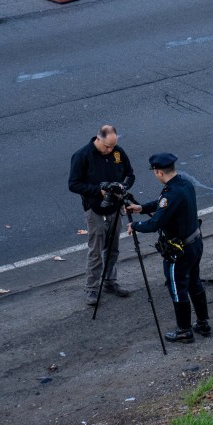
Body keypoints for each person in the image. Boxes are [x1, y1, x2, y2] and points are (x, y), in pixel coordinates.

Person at [126, 153, 210, 343]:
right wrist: (142, 208)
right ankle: (203, 323)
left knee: (177, 287)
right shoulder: (185, 183)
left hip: (179, 251)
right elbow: (164, 206)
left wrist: (135, 226)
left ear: (158, 172)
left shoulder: (170, 193)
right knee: (194, 282)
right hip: (195, 243)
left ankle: (184, 330)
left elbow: (155, 223)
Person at [68, 125, 135, 306]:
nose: (110, 150)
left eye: (113, 146)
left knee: (113, 248)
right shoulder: (82, 156)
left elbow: (130, 174)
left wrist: (123, 187)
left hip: (115, 207)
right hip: (95, 209)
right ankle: (91, 287)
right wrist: (99, 191)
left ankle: (110, 281)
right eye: (107, 146)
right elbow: (73, 184)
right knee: (96, 251)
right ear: (98, 139)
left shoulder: (117, 152)